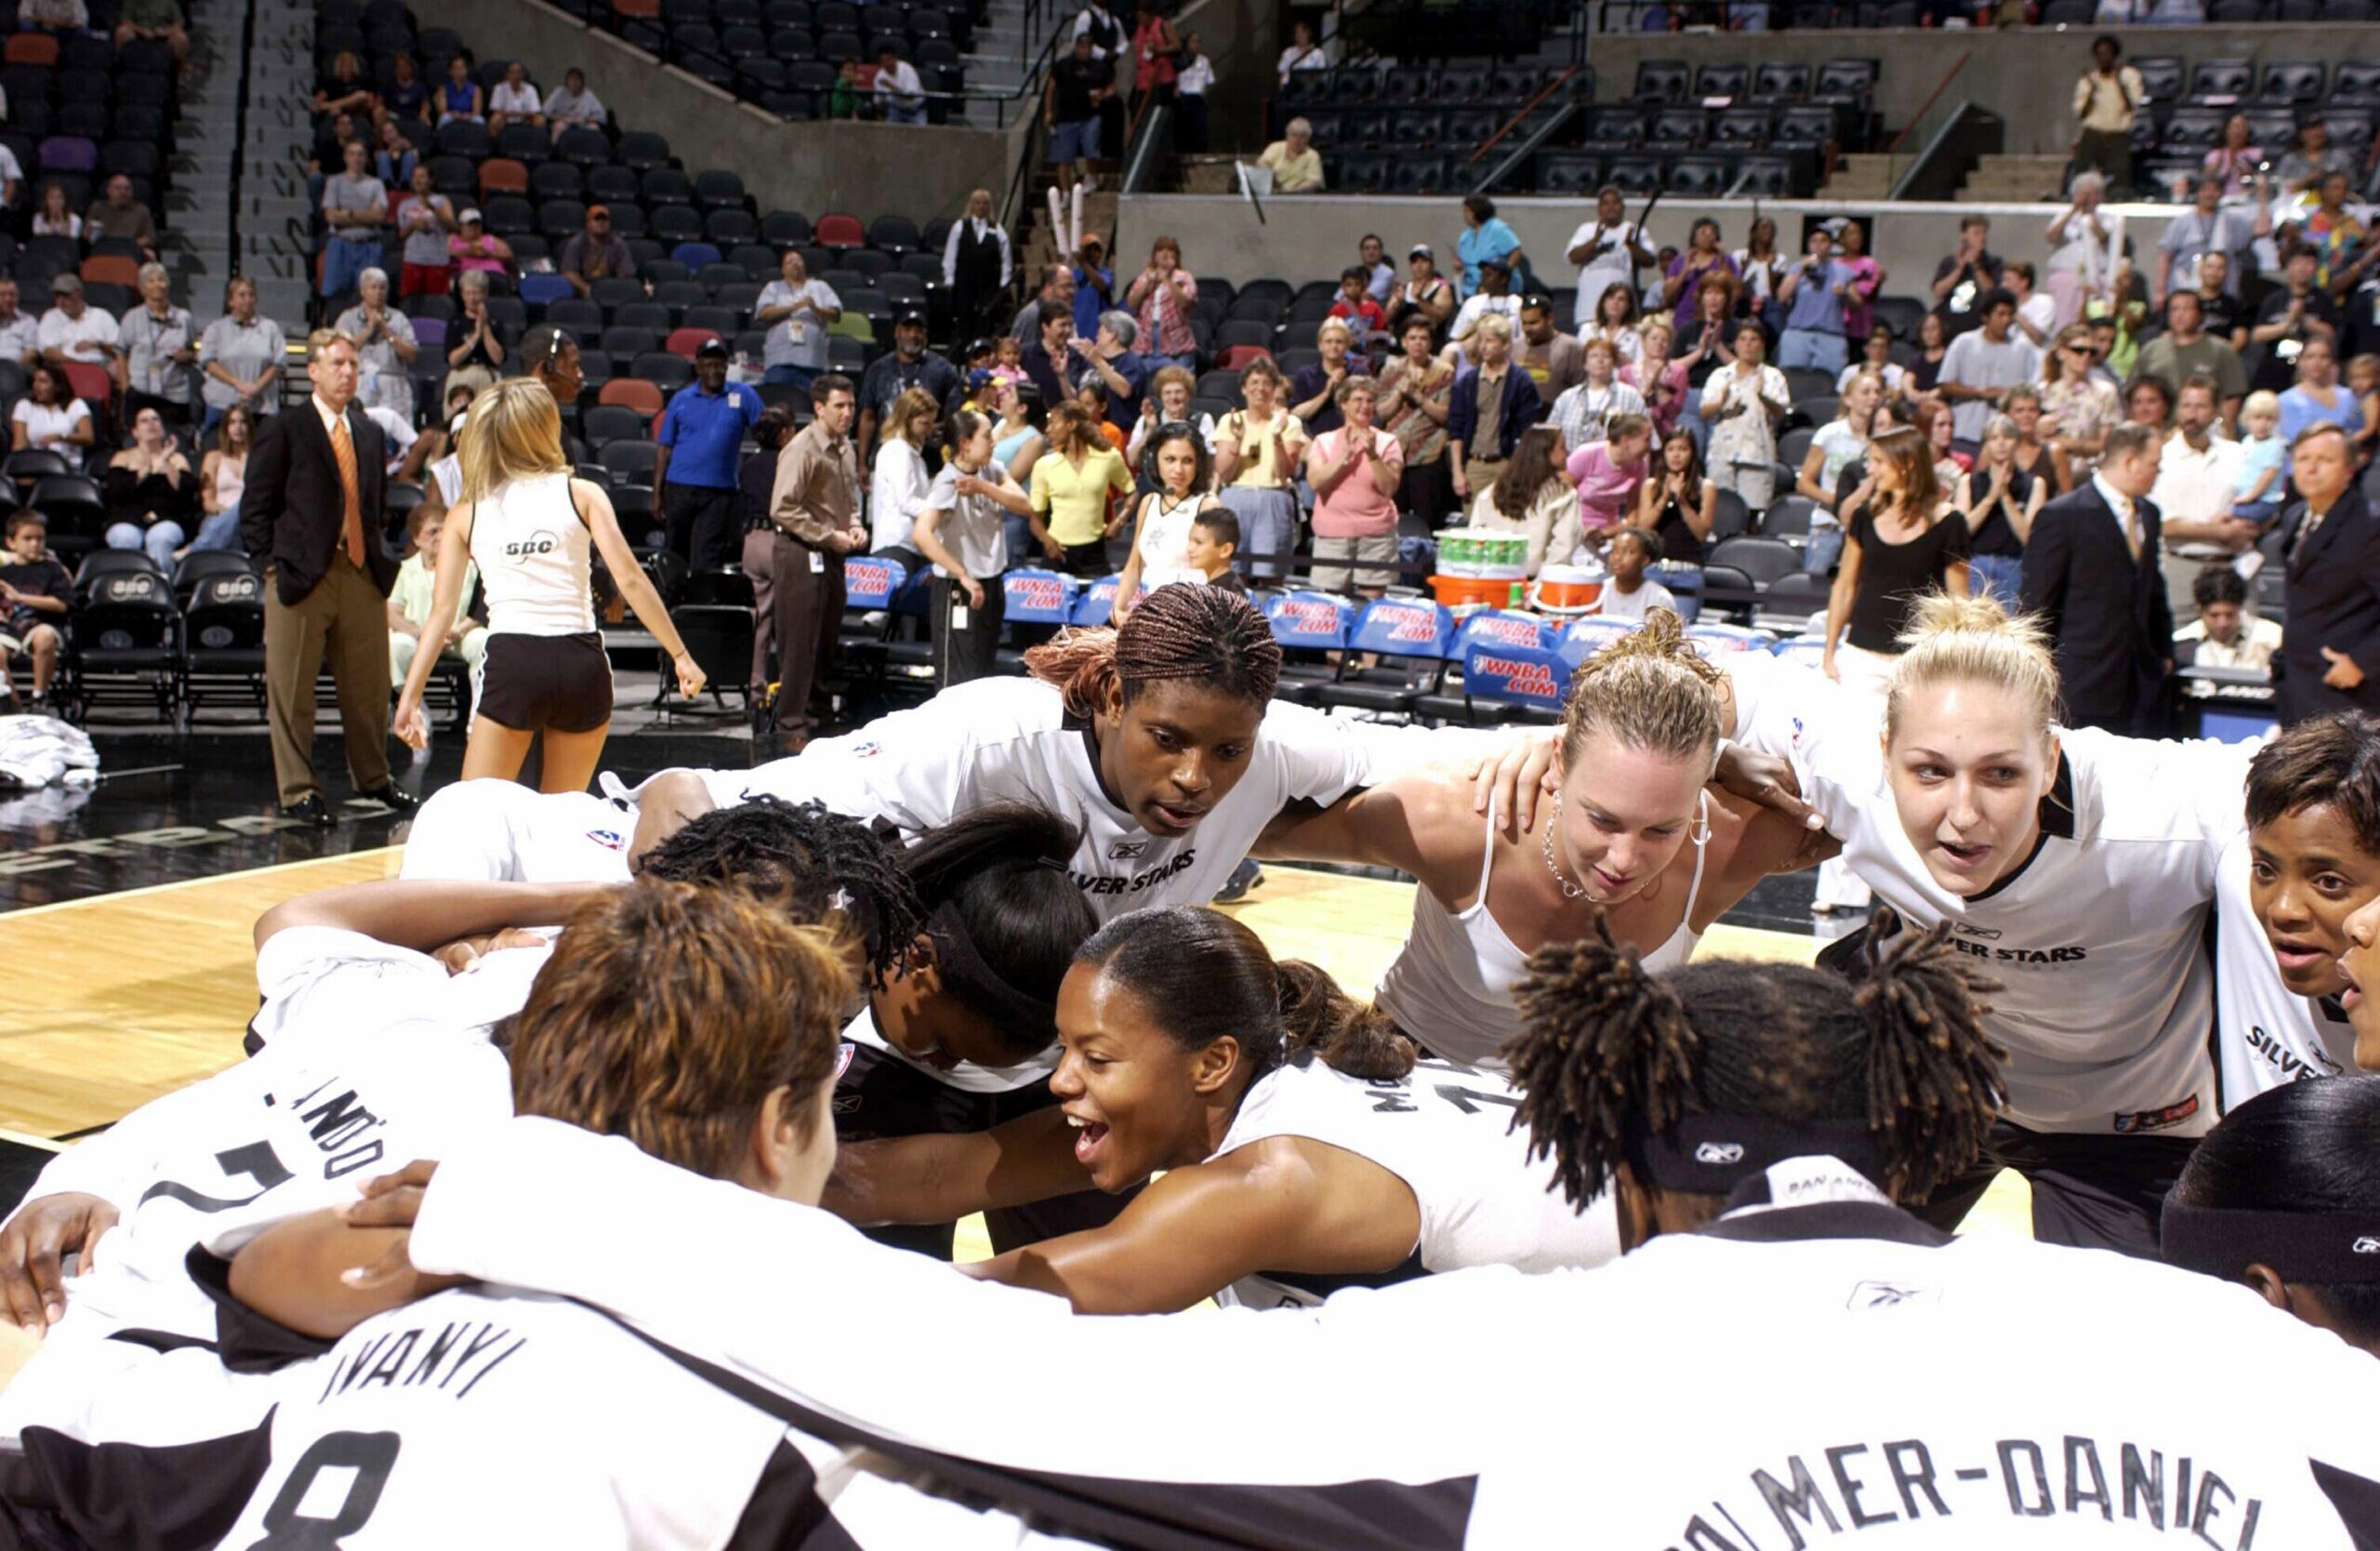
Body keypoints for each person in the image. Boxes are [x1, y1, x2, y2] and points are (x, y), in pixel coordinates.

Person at [1720, 593, 2260, 1253]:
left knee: (2119, 1347)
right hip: (1936, 1089)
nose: (1963, 814)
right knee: (1806, 1268)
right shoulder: (1851, 763)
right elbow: (1723, 683)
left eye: (2001, 774)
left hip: (2126, 1125)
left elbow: (2324, 775)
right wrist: (1699, 752)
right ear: (1885, 753)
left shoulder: (2164, 812)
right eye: (1930, 773)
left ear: (2050, 762)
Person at [825, 903, 1622, 1312]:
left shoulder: (1273, 1176)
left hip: (1697, 1308)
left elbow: (991, 1307)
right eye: (1062, 1051)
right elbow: (943, 1176)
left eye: (1095, 1059)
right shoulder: (1276, 1077)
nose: (1060, 1082)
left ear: (1211, 1064)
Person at [627, 581, 1553, 916]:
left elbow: (1436, 748)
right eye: (1167, 740)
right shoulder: (985, 736)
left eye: (1227, 752)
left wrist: (1559, 740)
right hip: (923, 1042)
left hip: (1078, 1056)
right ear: (1112, 697)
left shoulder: (1269, 748)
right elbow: (696, 793)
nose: (1198, 779)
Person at [1263, 609, 1817, 1074]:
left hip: (1591, 1112)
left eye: (1661, 829)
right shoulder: (1461, 819)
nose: (1625, 860)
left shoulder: (1726, 846)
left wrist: (1725, 754)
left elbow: (1879, 788)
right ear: (1557, 762)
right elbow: (1261, 830)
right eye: (1602, 819)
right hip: (1411, 1071)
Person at [395, 377, 698, 789]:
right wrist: (679, 653)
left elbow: (442, 613)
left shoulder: (467, 510)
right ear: (545, 429)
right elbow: (630, 579)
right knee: (562, 821)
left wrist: (409, 698)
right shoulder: (583, 493)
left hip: (513, 662)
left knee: (480, 816)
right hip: (582, 662)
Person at [239, 333, 410, 826]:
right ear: (312, 371)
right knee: (293, 692)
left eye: (354, 363)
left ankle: (375, 779)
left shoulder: (369, 431)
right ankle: (299, 791)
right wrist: (268, 562)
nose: (347, 371)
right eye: (337, 362)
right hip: (299, 573)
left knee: (370, 689)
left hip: (359, 569)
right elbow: (256, 504)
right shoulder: (284, 426)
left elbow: (373, 505)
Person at [2019, 419, 2172, 732]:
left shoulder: (2149, 514)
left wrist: (2163, 652)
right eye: (2154, 464)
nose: (2159, 472)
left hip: (2138, 683)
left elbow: (2153, 590)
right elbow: (2037, 603)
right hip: (2079, 683)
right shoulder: (2063, 515)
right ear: (2129, 461)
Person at [1823, 424, 1972, 693]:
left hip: (1921, 659)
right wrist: (1829, 655)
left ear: (1907, 463)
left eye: (1878, 461)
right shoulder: (1864, 517)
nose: (1870, 470)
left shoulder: (1950, 523)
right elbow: (1844, 587)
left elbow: (1958, 603)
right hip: (1861, 655)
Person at [904, 408, 1032, 687]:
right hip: (958, 590)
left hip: (991, 582)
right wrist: (961, 573)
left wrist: (984, 488)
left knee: (982, 679)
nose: (993, 442)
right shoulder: (947, 482)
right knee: (956, 682)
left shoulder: (990, 469)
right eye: (987, 436)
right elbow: (921, 534)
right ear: (965, 443)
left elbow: (1025, 505)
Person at [2273, 422, 2380, 723]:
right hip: (2296, 684)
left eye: (2325, 460)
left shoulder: (2371, 526)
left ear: (2349, 470)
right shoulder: (2295, 517)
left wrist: (2362, 662)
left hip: (2348, 694)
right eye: (2304, 459)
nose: (2311, 468)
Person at [653, 338, 761, 573]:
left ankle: (699, 607)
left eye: (720, 365)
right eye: (709, 365)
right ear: (698, 367)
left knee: (707, 557)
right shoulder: (681, 399)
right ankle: (670, 606)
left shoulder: (743, 395)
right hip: (679, 488)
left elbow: (766, 429)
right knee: (674, 553)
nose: (715, 370)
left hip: (719, 493)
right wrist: (656, 493)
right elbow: (664, 448)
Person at [1303, 377, 1402, 597]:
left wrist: (1373, 455)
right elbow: (1315, 482)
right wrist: (1343, 457)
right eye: (1358, 399)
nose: (1364, 406)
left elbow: (1389, 488)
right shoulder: (1324, 441)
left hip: (1376, 536)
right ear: (1343, 403)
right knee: (1334, 604)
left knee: (1371, 603)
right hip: (1333, 533)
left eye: (1369, 400)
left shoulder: (1387, 442)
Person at [1210, 357, 1307, 577]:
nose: (1260, 388)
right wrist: (1237, 439)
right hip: (1235, 497)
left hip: (1273, 497)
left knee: (1270, 575)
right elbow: (1224, 473)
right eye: (1254, 382)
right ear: (1244, 389)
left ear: (1274, 389)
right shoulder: (1230, 420)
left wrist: (1276, 437)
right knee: (1231, 573)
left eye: (1266, 383)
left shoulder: (1289, 423)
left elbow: (1285, 474)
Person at [386, 502, 487, 711]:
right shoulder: (406, 569)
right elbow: (392, 612)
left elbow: (480, 606)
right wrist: (422, 634)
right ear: (415, 539)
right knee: (396, 645)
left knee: (483, 642)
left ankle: (478, 713)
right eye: (433, 532)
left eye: (444, 529)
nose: (440, 536)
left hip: (458, 635)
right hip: (418, 637)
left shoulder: (469, 566)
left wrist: (459, 630)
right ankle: (416, 711)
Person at [1445, 313, 1540, 509]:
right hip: (1475, 465)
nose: (1483, 346)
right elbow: (1456, 428)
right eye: (1481, 340)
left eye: (1490, 341)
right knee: (1474, 528)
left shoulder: (1521, 381)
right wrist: (1457, 471)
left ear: (1505, 345)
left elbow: (1527, 430)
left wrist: (1522, 470)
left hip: (1508, 464)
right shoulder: (1468, 382)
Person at [1700, 318, 1789, 514]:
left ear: (1762, 344)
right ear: (1736, 343)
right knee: (1720, 512)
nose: (1748, 344)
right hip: (1721, 454)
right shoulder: (1720, 375)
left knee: (1753, 514)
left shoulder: (1773, 376)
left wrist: (1762, 396)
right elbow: (1704, 412)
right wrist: (1720, 402)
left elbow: (1781, 412)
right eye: (1743, 339)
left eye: (1753, 339)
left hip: (1757, 455)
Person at [1936, 287, 2039, 451]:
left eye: (2009, 314)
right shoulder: (1964, 343)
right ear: (1986, 317)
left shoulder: (2023, 348)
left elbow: (2033, 388)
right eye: (2000, 314)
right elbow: (1945, 383)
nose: (2006, 320)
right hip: (1967, 432)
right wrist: (1980, 392)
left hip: (2008, 437)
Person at [1956, 412, 2042, 606]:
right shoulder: (1969, 482)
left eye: (2007, 437)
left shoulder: (2034, 484)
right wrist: (1990, 498)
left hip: (2013, 566)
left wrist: (2005, 497)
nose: (2001, 443)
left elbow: (2028, 536)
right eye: (1994, 438)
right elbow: (1961, 530)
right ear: (1985, 444)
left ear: (2017, 443)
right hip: (1976, 565)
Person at [1471, 425, 1578, 576]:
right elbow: (1563, 549)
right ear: (1545, 452)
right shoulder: (1564, 496)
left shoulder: (1490, 492)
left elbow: (1475, 537)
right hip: (1534, 585)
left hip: (1491, 578)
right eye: (1562, 447)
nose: (1567, 453)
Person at [100, 405, 195, 571]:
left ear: (163, 429)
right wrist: (150, 466)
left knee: (160, 538)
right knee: (125, 537)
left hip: (166, 519)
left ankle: (162, 587)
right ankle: (126, 587)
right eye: (144, 421)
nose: (151, 424)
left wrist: (165, 459)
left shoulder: (176, 459)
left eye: (155, 419)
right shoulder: (123, 457)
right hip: (127, 519)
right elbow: (117, 491)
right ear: (135, 432)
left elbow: (183, 493)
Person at [2136, 290, 2246, 427]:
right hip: (2160, 431)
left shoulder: (2221, 350)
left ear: (2199, 314)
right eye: (2175, 309)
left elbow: (2232, 395)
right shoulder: (2150, 350)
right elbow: (2134, 394)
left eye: (2187, 309)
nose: (2180, 315)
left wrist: (2223, 428)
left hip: (2205, 432)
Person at [112, 262, 197, 434]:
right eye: (150, 281)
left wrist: (187, 355)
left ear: (168, 285)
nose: (157, 285)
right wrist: (126, 387)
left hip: (174, 393)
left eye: (161, 280)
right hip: (140, 392)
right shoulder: (132, 317)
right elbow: (120, 353)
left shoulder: (183, 318)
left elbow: (194, 351)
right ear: (142, 288)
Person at [332, 267, 420, 426]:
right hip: (359, 381)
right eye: (373, 287)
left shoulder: (398, 318)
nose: (378, 292)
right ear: (363, 291)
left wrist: (386, 332)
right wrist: (368, 330)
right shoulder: (348, 318)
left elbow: (411, 354)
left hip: (393, 383)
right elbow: (339, 352)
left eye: (382, 288)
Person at [2251, 243, 2340, 396]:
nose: (2303, 268)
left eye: (2309, 262)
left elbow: (2330, 333)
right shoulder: (2274, 299)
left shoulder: (2324, 299)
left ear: (2316, 267)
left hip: (2311, 369)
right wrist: (2286, 324)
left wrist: (2303, 319)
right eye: (2298, 262)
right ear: (2289, 266)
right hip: (2276, 365)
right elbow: (2257, 334)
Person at [2037, 321, 2121, 484]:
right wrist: (2037, 430)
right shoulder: (2043, 392)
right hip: (2048, 474)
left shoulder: (2105, 392)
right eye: (2079, 350)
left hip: (2087, 475)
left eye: (2092, 352)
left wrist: (2069, 444)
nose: (2086, 356)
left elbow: (2108, 444)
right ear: (2061, 353)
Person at [0, 512, 67, 709]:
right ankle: (13, 704)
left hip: (40, 625)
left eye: (39, 539)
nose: (35, 544)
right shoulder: (5, 573)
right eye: (27, 539)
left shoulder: (53, 570)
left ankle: (39, 697)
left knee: (44, 636)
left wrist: (19, 598)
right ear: (11, 542)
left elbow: (61, 604)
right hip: (9, 629)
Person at [2043, 171, 2120, 330]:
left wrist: (2091, 216)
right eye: (2084, 194)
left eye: (2092, 194)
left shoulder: (2106, 218)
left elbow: (2103, 238)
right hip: (2066, 276)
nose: (2087, 198)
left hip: (2095, 277)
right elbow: (2051, 236)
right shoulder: (2064, 216)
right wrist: (2074, 210)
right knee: (2064, 321)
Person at [753, 248, 839, 390]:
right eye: (789, 262)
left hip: (813, 361)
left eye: (798, 260)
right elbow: (763, 313)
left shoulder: (820, 287)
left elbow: (835, 315)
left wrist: (815, 309)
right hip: (780, 361)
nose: (795, 264)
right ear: (782, 269)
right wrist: (795, 307)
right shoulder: (773, 288)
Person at [2175, 563, 2281, 676]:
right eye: (2214, 615)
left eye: (2229, 615)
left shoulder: (2272, 639)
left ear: (2240, 607)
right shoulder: (2181, 643)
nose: (2223, 623)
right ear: (2199, 608)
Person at [1775, 221, 1851, 375]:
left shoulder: (1842, 271)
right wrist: (1801, 270)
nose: (1818, 245)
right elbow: (1781, 297)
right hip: (1798, 334)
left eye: (1823, 241)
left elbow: (1857, 303)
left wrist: (1844, 293)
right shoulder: (1797, 268)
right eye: (1814, 241)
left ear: (1830, 245)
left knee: (1830, 381)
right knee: (1792, 379)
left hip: (1830, 336)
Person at [2070, 34, 2142, 194]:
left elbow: (2133, 106)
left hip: (2118, 135)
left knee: (2119, 183)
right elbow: (2081, 114)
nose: (2104, 58)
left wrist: (2118, 82)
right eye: (2100, 54)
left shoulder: (2129, 75)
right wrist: (2093, 90)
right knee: (2081, 176)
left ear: (2115, 55)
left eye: (2107, 53)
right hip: (2093, 135)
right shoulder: (2088, 79)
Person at [1547, 337, 1642, 457]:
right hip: (1571, 469)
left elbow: (1644, 439)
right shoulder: (1567, 398)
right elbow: (1550, 438)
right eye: (1594, 356)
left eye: (1606, 356)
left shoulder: (1631, 396)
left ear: (1614, 363)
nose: (1600, 360)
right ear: (1584, 364)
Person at [1565, 411, 1651, 542]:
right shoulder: (1586, 455)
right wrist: (1580, 529)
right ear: (1626, 440)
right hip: (1573, 532)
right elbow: (1560, 498)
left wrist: (1606, 533)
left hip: (1607, 536)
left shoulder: (1639, 466)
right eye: (1646, 440)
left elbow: (1632, 514)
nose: (1649, 447)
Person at [318, 138, 387, 301]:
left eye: (360, 154)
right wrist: (365, 216)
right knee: (334, 297)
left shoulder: (376, 184)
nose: (356, 158)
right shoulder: (334, 182)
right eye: (352, 154)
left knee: (370, 299)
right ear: (345, 157)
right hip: (340, 244)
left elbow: (378, 216)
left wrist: (347, 214)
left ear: (366, 158)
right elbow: (332, 217)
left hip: (368, 246)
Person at [941, 188, 1011, 345]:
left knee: (985, 318)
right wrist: (949, 276)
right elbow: (950, 254)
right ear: (971, 205)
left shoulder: (997, 229)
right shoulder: (960, 226)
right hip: (965, 280)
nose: (981, 207)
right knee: (964, 316)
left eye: (985, 203)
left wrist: (1004, 281)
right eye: (977, 203)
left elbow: (1006, 258)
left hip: (988, 282)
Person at [1633, 429, 1713, 563]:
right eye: (1670, 449)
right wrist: (1664, 498)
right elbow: (1643, 529)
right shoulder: (1651, 486)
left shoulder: (1706, 487)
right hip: (1655, 565)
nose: (1676, 455)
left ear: (1692, 453)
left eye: (1682, 449)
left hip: (1688, 566)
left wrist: (1682, 501)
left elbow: (1702, 534)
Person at [2279, 335, 2366, 454]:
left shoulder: (2349, 397)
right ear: (2300, 361)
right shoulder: (2285, 401)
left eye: (2323, 357)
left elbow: (2360, 433)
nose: (2317, 362)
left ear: (2332, 362)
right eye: (2310, 357)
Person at [1045, 32, 1108, 193]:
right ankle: (1065, 192)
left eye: (1089, 48)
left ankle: (1091, 176)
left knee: (1090, 147)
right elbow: (1051, 88)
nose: (1085, 51)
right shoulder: (1063, 65)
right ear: (1077, 47)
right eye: (1083, 47)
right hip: (1067, 116)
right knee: (1065, 157)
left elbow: (1109, 87)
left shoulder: (1098, 67)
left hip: (1090, 115)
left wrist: (1103, 94)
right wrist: (1048, 111)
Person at [1123, 236, 1197, 370]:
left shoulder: (1184, 277)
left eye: (1170, 250)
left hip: (1176, 348)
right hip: (1145, 344)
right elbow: (1131, 303)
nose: (1165, 254)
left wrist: (1167, 280)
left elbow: (1186, 302)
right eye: (1160, 250)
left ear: (1176, 255)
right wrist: (1148, 282)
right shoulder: (1145, 277)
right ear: (1154, 255)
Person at [1929, 213, 2003, 338]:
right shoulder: (1949, 262)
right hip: (1950, 324)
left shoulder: (1993, 263)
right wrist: (1959, 269)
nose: (1982, 237)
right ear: (1963, 235)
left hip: (1978, 325)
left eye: (1984, 233)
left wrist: (1977, 267)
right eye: (1976, 233)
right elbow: (1938, 292)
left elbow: (1993, 294)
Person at [1659, 216, 1734, 336]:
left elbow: (1737, 290)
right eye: (1703, 232)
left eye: (1711, 233)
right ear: (1694, 237)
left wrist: (1722, 265)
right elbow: (1667, 294)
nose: (1707, 236)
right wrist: (1685, 271)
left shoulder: (1726, 260)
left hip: (1717, 322)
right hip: (1683, 321)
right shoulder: (1680, 261)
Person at [36, 273, 120, 377]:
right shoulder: (51, 317)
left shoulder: (101, 316)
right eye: (57, 296)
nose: (61, 301)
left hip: (101, 367)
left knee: (118, 367)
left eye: (65, 295)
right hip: (65, 369)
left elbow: (119, 349)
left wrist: (98, 344)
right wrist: (82, 366)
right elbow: (48, 351)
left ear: (79, 293)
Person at [392, 165, 455, 299]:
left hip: (437, 262)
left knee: (436, 302)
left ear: (431, 181)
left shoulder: (441, 201)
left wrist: (432, 208)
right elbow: (400, 236)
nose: (417, 180)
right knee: (410, 301)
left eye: (422, 176)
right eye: (415, 177)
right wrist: (413, 225)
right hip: (412, 261)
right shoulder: (404, 204)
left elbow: (452, 225)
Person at [443, 269, 506, 401]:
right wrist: (476, 336)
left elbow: (498, 358)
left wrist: (485, 326)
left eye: (476, 293)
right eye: (468, 293)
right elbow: (452, 360)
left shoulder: (495, 323)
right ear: (462, 295)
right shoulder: (455, 322)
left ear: (485, 294)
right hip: (461, 376)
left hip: (487, 375)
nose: (472, 298)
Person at [1452, 193, 1522, 304]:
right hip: (1472, 291)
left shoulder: (1498, 229)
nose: (1464, 216)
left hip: (1499, 291)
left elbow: (1516, 251)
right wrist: (1459, 265)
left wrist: (1504, 273)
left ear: (1477, 211)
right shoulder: (1465, 236)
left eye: (1467, 212)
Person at [8, 363, 90, 457]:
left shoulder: (76, 405)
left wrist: (61, 437)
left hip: (68, 465)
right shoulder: (24, 406)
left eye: (43, 381)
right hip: (34, 463)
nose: (36, 386)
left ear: (58, 386)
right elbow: (19, 445)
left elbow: (88, 437)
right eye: (34, 381)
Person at [554, 204, 633, 299]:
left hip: (609, 288)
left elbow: (625, 273)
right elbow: (569, 273)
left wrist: (611, 289)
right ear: (588, 223)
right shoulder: (576, 243)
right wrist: (587, 288)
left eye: (605, 219)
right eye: (596, 219)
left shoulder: (618, 244)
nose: (601, 223)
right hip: (582, 289)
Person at [1512, 296, 1581, 402]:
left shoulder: (1570, 347)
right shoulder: (1514, 347)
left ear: (1549, 318)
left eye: (1533, 323)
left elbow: (1580, 389)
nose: (1527, 329)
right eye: (1524, 323)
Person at [84, 174, 157, 261]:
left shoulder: (142, 211)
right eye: (118, 188)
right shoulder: (98, 208)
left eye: (127, 189)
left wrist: (127, 246)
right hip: (102, 252)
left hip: (130, 253)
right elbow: (86, 234)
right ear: (109, 190)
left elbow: (149, 238)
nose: (123, 192)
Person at [1386, 243, 1454, 338]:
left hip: (1431, 344)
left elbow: (1438, 318)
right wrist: (1397, 303)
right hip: (1401, 344)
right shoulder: (1403, 289)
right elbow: (1386, 320)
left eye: (1424, 261)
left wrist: (1420, 300)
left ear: (1432, 265)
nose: (1419, 265)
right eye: (1415, 262)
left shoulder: (1441, 288)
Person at [1258, 117, 1323, 192]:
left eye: (1302, 136)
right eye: (1294, 135)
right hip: (1272, 193)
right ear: (1287, 136)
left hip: (1298, 197)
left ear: (1308, 138)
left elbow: (1313, 182)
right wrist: (1270, 177)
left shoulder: (1312, 156)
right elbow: (1261, 163)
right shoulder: (1275, 147)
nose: (1297, 140)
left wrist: (1291, 192)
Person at [1172, 29, 1212, 152]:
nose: (1195, 44)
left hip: (1198, 98)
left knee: (1200, 130)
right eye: (1193, 41)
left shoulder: (1204, 61)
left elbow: (1209, 80)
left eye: (1198, 42)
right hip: (1184, 97)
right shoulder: (1181, 60)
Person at [541, 66, 605, 139]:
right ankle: (554, 149)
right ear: (567, 81)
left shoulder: (589, 95)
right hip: (563, 122)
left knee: (594, 128)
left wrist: (585, 119)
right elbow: (545, 111)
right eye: (571, 80)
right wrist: (561, 118)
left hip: (583, 124)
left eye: (577, 80)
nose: (574, 83)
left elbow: (602, 116)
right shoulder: (558, 92)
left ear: (582, 82)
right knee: (558, 126)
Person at [872, 41, 927, 123]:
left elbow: (910, 97)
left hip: (915, 110)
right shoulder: (879, 77)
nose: (887, 64)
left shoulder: (907, 70)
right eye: (884, 61)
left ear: (895, 58)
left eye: (889, 59)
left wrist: (891, 86)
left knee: (923, 133)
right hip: (896, 110)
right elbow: (878, 103)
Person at [436, 53, 484, 125]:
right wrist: (453, 114)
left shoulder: (476, 89)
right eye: (457, 68)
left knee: (479, 120)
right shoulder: (443, 89)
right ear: (450, 71)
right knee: (444, 118)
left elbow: (477, 111)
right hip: (452, 116)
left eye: (462, 67)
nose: (460, 71)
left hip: (468, 116)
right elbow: (442, 110)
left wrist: (466, 116)